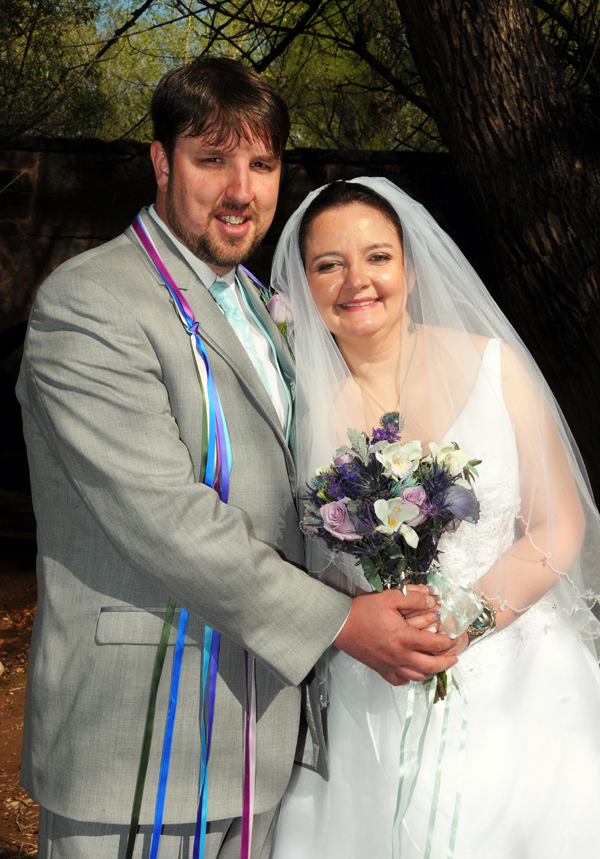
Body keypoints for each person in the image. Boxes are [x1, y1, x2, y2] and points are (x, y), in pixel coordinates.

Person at [16, 62, 457, 859]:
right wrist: (345, 622)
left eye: (261, 165)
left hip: (262, 746)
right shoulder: (91, 303)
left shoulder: (267, 308)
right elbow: (165, 519)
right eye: (211, 159)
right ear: (160, 163)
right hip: (146, 742)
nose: (240, 190)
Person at [269, 178, 600, 858]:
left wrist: (463, 619)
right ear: (304, 283)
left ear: (410, 268)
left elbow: (558, 522)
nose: (356, 280)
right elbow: (287, 554)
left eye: (377, 257)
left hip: (517, 684)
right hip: (369, 685)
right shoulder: (292, 402)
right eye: (329, 264)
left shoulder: (494, 366)